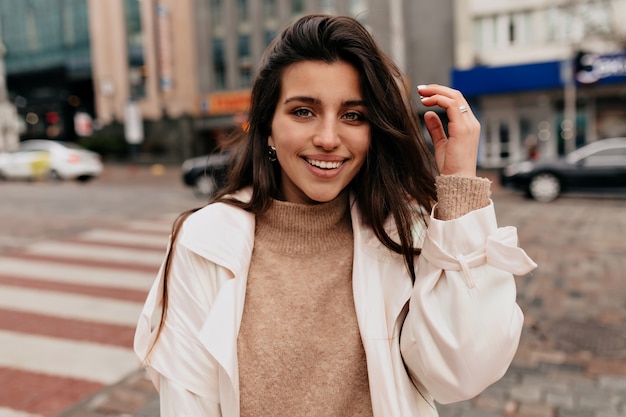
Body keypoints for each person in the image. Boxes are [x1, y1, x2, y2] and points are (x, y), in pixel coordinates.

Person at [134, 14, 537, 417]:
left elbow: (464, 371)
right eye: (303, 111)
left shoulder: (403, 234)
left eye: (353, 116)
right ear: (269, 127)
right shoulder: (203, 241)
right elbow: (189, 405)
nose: (328, 139)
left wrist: (459, 187)